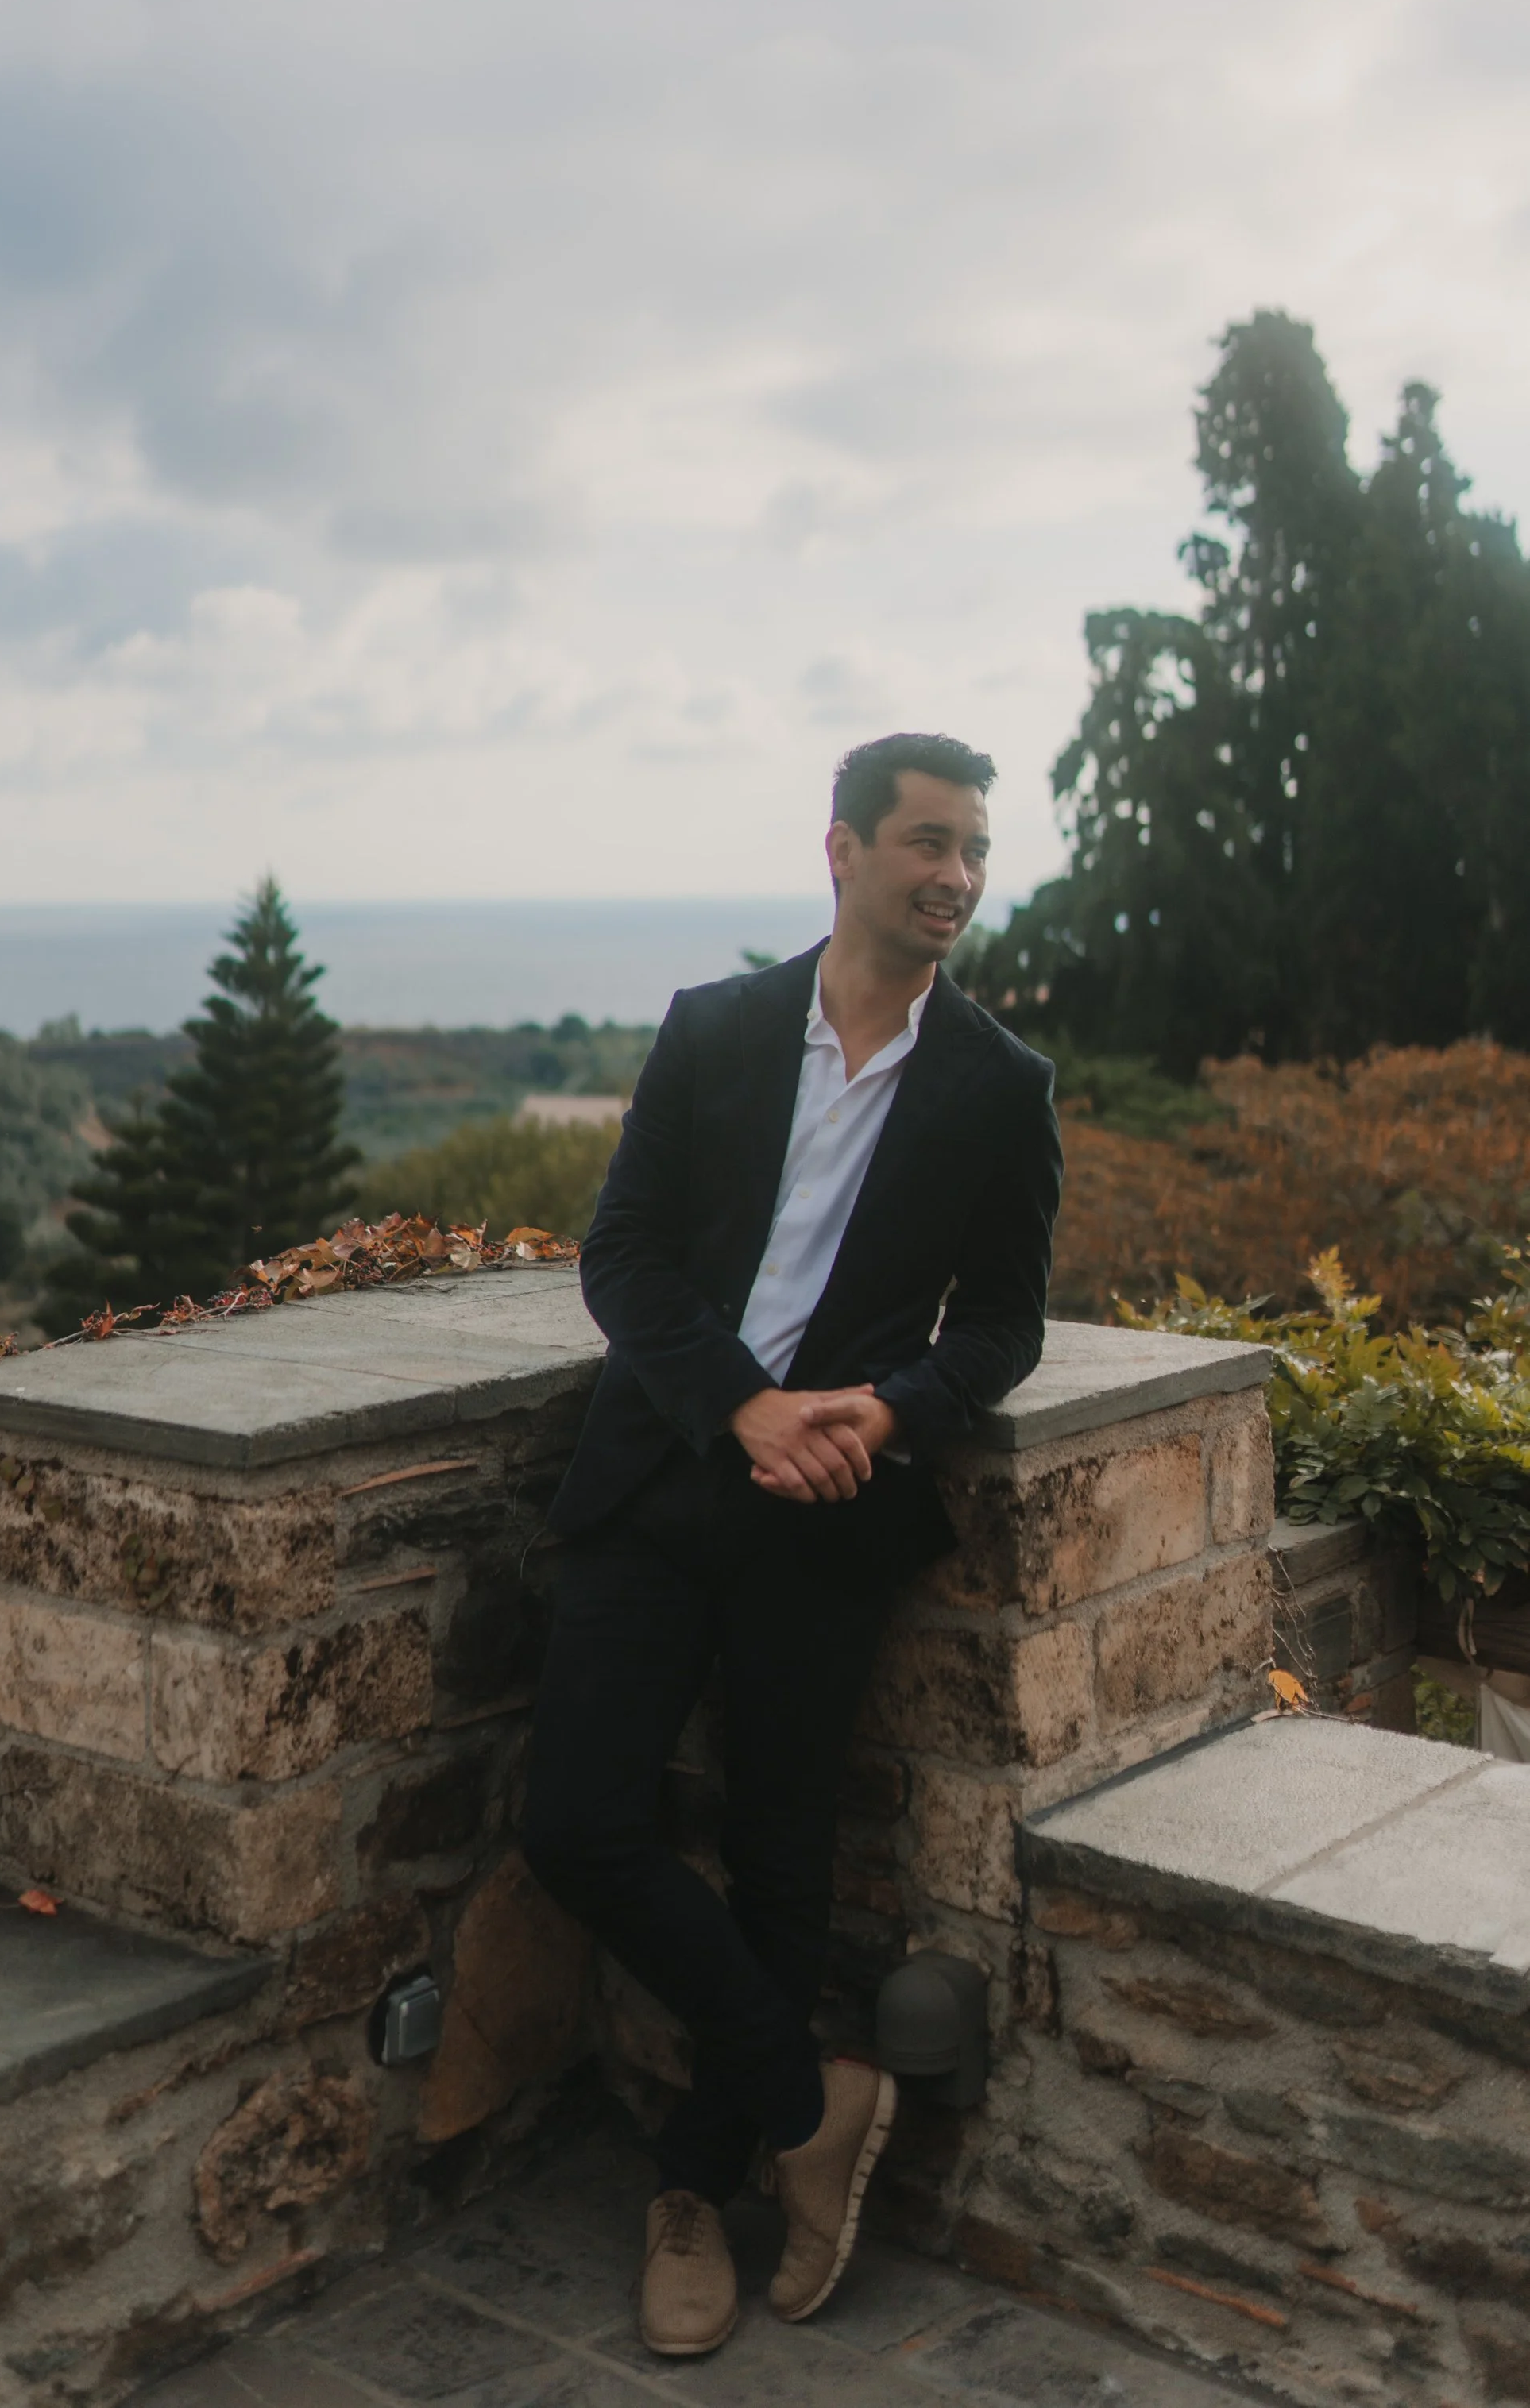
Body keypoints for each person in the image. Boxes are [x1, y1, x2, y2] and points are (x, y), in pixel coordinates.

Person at [521, 732, 1062, 2358]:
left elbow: (1005, 1335)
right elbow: (620, 1261)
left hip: (832, 1514)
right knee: (577, 1822)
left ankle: (695, 2187)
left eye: (973, 847)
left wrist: (879, 1418)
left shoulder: (998, 1087)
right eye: (924, 842)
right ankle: (808, 2102)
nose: (954, 875)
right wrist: (743, 1409)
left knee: (778, 1863)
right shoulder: (716, 1031)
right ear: (839, 849)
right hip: (662, 1474)